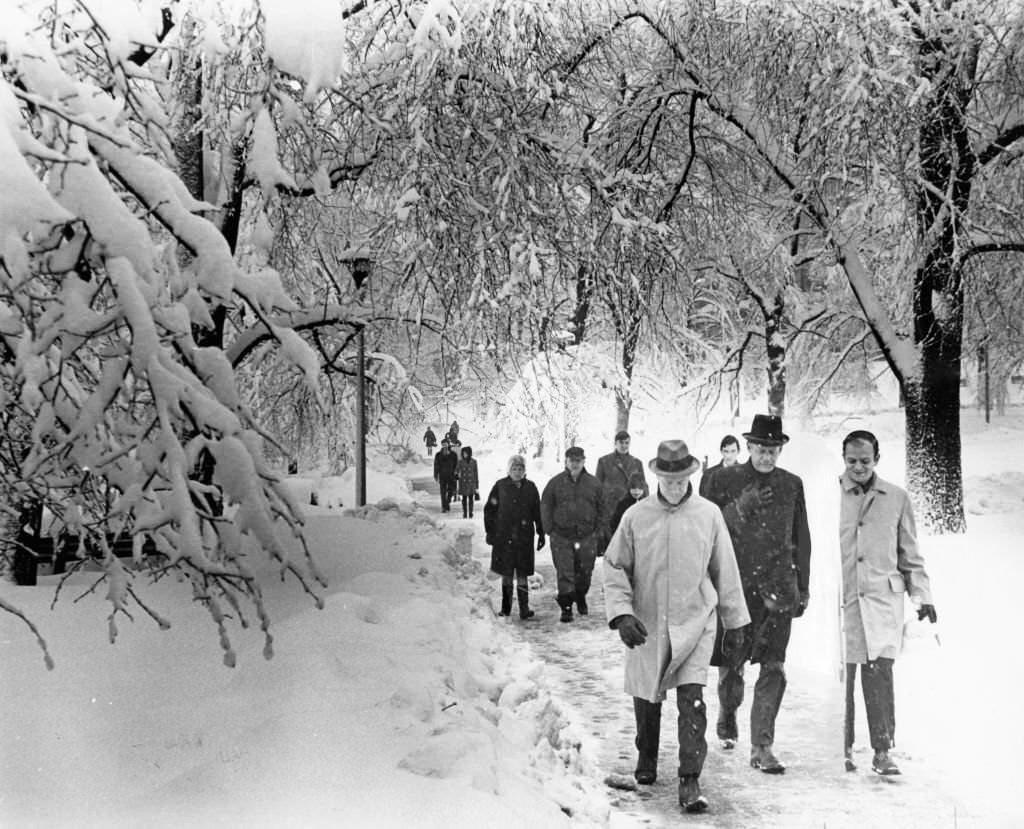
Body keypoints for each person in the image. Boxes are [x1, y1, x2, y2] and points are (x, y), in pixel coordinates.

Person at [604, 439, 750, 813]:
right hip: (647, 621)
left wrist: (735, 623)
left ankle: (690, 779)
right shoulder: (636, 516)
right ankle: (647, 755)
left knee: (693, 700)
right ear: (657, 476)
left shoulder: (708, 515)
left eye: (680, 479)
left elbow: (725, 569)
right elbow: (615, 565)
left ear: (690, 476)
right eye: (667, 479)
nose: (673, 485)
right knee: (647, 692)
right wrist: (622, 614)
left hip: (695, 620)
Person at [704, 414, 811, 774]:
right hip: (737, 588)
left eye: (773, 449)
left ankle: (762, 746)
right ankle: (728, 709)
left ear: (780, 449)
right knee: (732, 663)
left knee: (774, 667)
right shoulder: (722, 479)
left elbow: (801, 539)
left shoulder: (792, 485)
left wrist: (803, 587)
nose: (767, 456)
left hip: (779, 589)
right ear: (748, 447)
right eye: (761, 449)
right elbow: (706, 528)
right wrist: (738, 508)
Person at [839, 429, 937, 776]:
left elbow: (910, 553)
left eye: (865, 460)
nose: (858, 467)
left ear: (877, 459)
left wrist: (922, 595)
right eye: (852, 461)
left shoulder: (896, 497)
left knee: (879, 675)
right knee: (846, 678)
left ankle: (882, 750)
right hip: (848, 600)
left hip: (883, 600)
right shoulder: (833, 496)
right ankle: (844, 748)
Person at [540, 446, 605, 622]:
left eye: (578, 460)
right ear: (566, 462)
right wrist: (550, 529)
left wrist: (598, 532)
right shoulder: (555, 483)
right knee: (565, 572)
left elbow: (603, 509)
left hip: (587, 536)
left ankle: (581, 595)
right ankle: (567, 607)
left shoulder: (594, 483)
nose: (574, 464)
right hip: (562, 536)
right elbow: (545, 505)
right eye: (571, 460)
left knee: (585, 572)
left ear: (584, 461)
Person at [484, 455, 545, 620]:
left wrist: (540, 532)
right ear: (509, 470)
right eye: (514, 469)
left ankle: (524, 609)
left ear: (524, 471)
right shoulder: (501, 486)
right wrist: (490, 531)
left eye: (520, 469)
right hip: (504, 538)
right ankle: (506, 608)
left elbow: (537, 512)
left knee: (523, 573)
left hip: (524, 537)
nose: (517, 472)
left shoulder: (531, 488)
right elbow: (489, 510)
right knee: (507, 573)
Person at [595, 430, 648, 543]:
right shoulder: (604, 461)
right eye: (621, 443)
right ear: (615, 443)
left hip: (631, 508)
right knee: (612, 544)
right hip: (611, 509)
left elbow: (643, 486)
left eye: (627, 443)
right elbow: (597, 488)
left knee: (630, 543)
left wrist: (645, 506)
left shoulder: (636, 463)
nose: (624, 445)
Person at [432, 440, 458, 513]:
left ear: (448, 445)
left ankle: (447, 502)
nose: (444, 446)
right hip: (442, 476)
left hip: (451, 476)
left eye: (445, 444)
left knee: (451, 491)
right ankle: (444, 507)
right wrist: (435, 475)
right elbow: (436, 465)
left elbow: (456, 465)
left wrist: (456, 473)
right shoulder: (438, 455)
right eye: (443, 444)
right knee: (443, 492)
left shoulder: (453, 454)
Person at [455, 445, 480, 519]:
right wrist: (456, 474)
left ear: (469, 453)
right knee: (464, 499)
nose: (464, 454)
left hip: (471, 483)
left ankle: (471, 512)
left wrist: (477, 485)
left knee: (471, 498)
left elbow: (476, 473)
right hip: (463, 482)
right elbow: (456, 469)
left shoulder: (474, 461)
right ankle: (465, 513)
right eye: (463, 453)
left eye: (466, 453)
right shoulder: (460, 462)